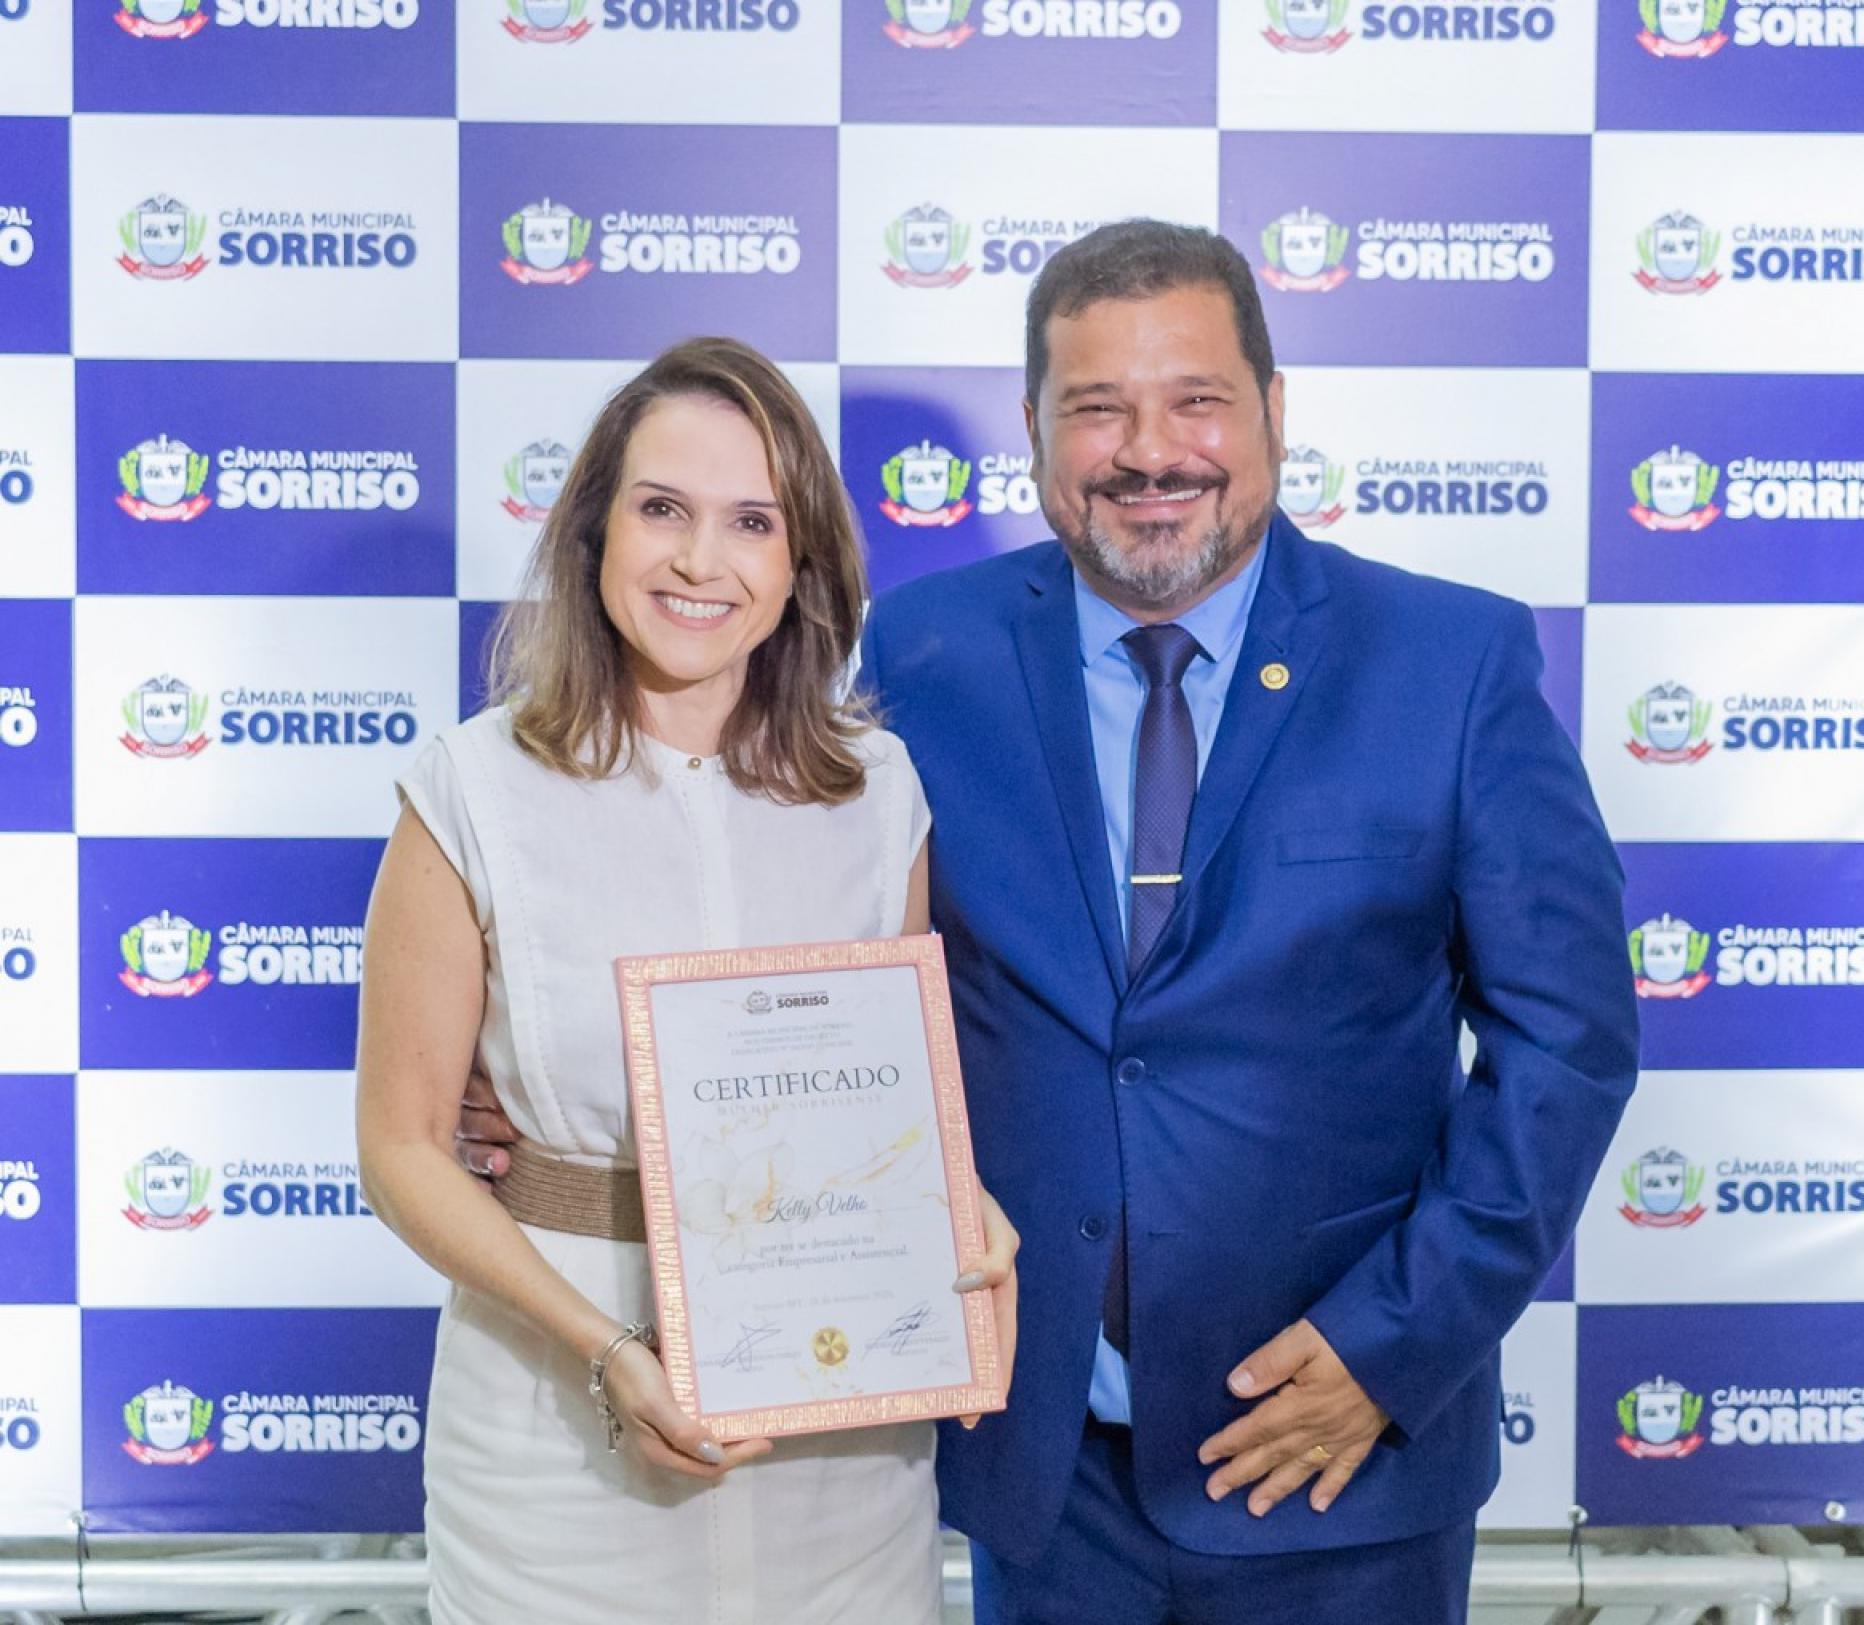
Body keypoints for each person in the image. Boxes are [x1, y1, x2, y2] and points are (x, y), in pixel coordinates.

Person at [463, 223, 1639, 1623]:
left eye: (1196, 400)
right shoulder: (925, 653)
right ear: (1031, 432)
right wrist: (541, 1066)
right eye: (1097, 408)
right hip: (1039, 1469)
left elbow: (1568, 1043)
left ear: (1275, 410)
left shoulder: (1451, 662)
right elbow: (807, 925)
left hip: (1339, 1462)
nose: (1150, 451)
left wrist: (1396, 1344)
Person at [357, 337, 1017, 1625]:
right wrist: (606, 1351)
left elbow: (893, 1102)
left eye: (752, 522)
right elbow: (400, 1150)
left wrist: (966, 1212)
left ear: (800, 563)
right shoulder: (473, 788)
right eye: (662, 509)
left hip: (839, 1443)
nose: (700, 561)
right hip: (554, 1441)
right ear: (595, 529)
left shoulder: (878, 793)